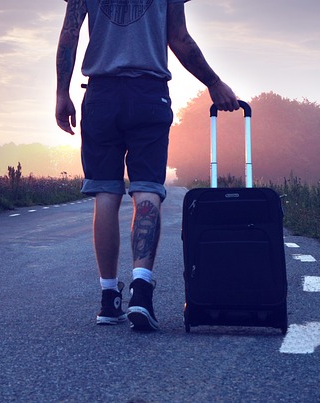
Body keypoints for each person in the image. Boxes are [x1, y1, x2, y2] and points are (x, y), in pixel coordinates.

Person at [55, 0, 240, 331]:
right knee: (148, 190)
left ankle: (109, 299)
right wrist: (213, 82)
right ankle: (141, 292)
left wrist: (61, 93)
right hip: (149, 94)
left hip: (101, 95)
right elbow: (179, 38)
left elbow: (70, 35)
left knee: (106, 195)